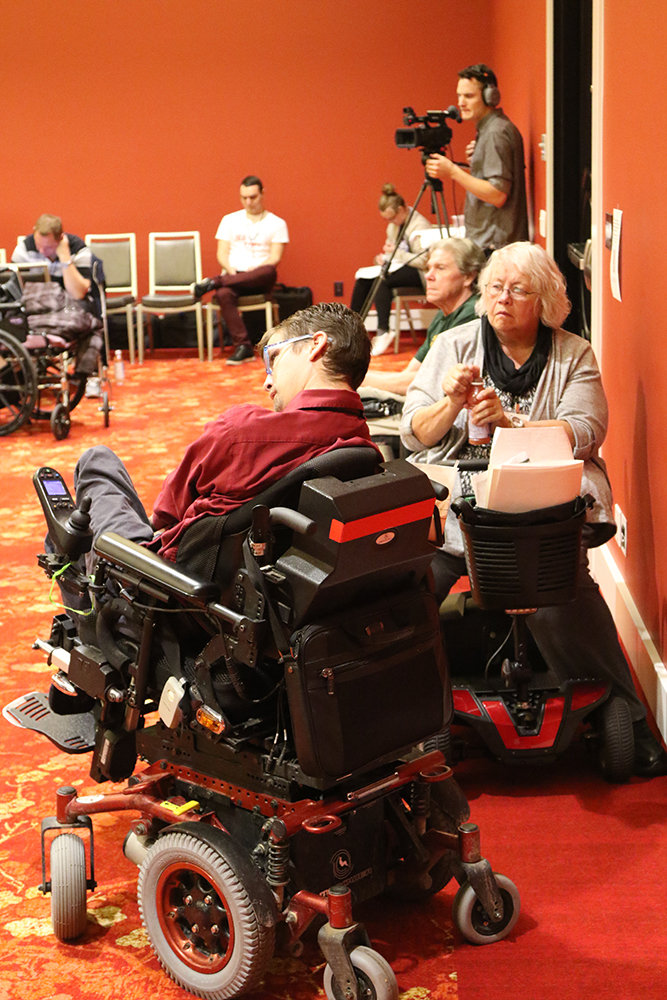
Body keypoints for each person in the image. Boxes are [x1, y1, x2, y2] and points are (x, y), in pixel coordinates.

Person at [400, 242, 667, 777]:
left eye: (518, 290)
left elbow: (586, 432)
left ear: (544, 300)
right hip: (460, 502)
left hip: (541, 503)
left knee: (561, 595)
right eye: (495, 287)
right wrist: (450, 403)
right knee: (409, 588)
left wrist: (511, 424)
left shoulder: (573, 353)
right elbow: (414, 434)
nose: (502, 298)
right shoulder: (452, 345)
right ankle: (403, 723)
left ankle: (631, 724)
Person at [69, 303, 376, 569]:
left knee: (96, 463)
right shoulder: (363, 445)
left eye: (274, 359)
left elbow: (165, 513)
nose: (267, 383)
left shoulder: (242, 432)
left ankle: (92, 616)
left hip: (169, 587)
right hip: (259, 600)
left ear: (315, 345)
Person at [361, 237, 485, 397]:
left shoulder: (472, 315)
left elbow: (430, 383)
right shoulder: (442, 315)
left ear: (468, 277)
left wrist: (360, 379)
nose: (428, 276)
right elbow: (410, 374)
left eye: (440, 268)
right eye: (428, 268)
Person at [425, 65, 528, 251]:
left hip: (494, 247)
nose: (461, 103)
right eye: (459, 96)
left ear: (490, 97)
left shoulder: (495, 133)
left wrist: (453, 171)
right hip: (492, 244)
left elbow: (497, 195)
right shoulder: (491, 130)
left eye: (469, 96)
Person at [192, 175, 289, 366]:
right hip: (234, 275)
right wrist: (231, 271)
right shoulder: (229, 220)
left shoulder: (277, 223)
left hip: (260, 278)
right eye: (244, 198)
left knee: (269, 271)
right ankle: (243, 347)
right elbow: (222, 254)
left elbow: (275, 258)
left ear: (262, 194)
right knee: (223, 293)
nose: (248, 202)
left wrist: (255, 269)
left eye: (253, 197)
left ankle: (214, 281)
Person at [11, 214, 102, 375]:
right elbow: (14, 289)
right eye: (39, 246)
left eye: (48, 248)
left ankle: (85, 375)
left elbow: (78, 293)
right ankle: (18, 374)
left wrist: (65, 257)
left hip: (68, 307)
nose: (42, 251)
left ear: (60, 239)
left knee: (88, 321)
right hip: (36, 308)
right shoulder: (25, 248)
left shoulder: (78, 249)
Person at [350, 184, 431, 357]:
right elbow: (391, 252)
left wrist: (396, 253)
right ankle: (351, 329)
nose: (390, 222)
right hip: (399, 267)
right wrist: (380, 258)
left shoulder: (420, 225)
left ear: (402, 210)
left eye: (392, 218)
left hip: (420, 273)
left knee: (382, 281)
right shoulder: (393, 226)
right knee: (363, 280)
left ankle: (383, 331)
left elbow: (424, 260)